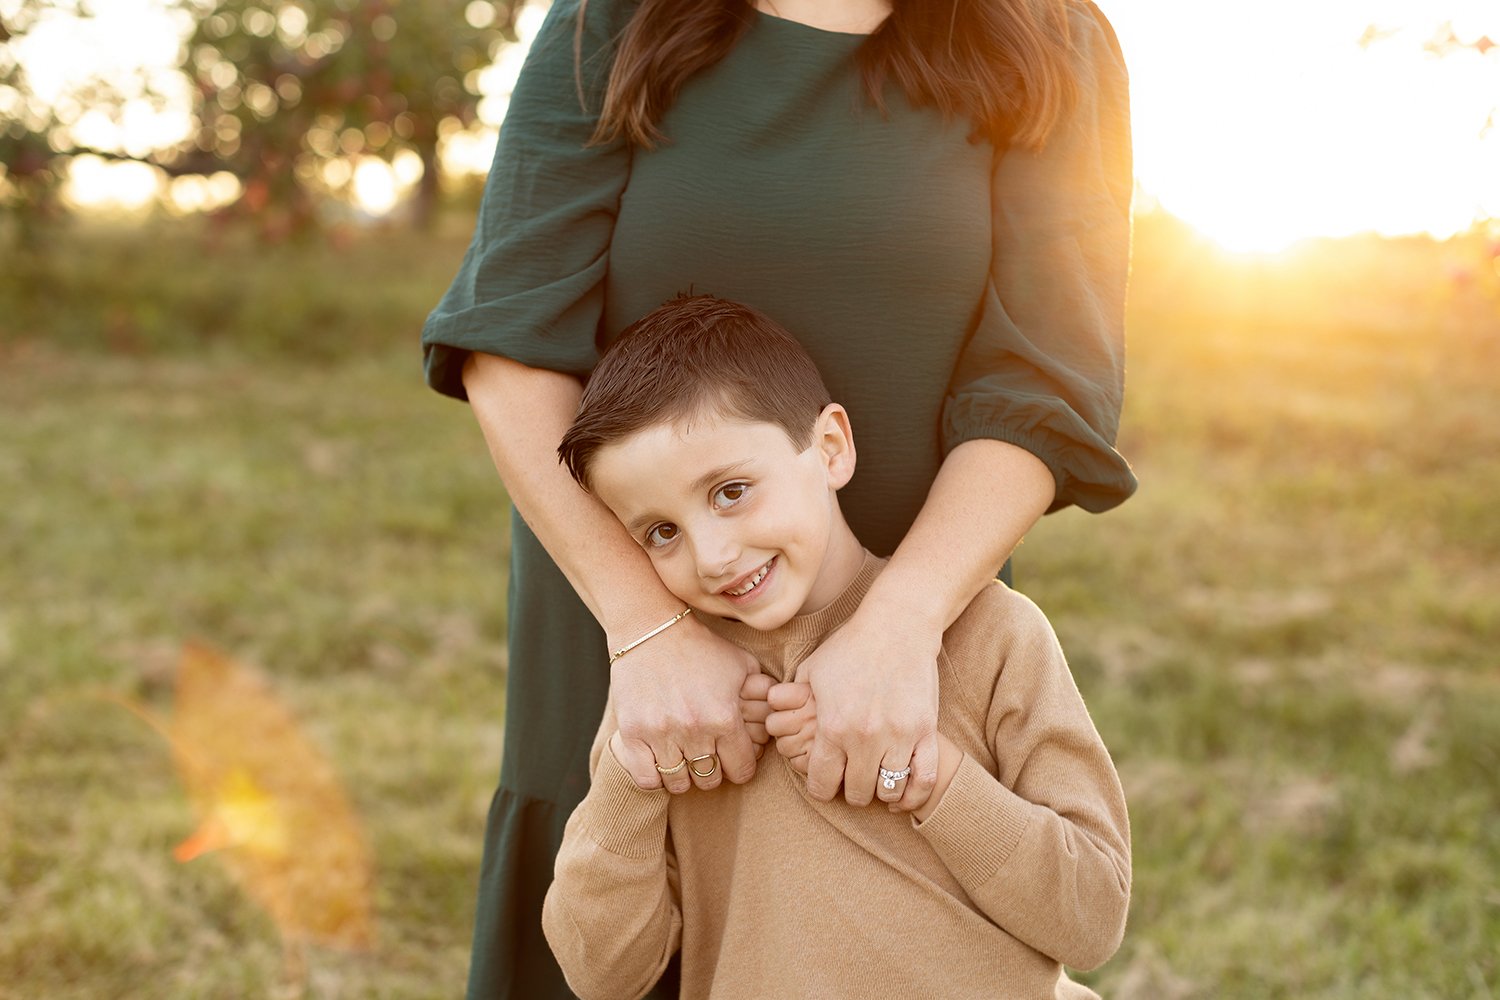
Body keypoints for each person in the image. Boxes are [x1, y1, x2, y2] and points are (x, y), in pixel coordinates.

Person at [419, 0, 1136, 995]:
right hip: (624, 601)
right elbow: (509, 341)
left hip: (916, 612)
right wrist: (649, 630)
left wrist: (898, 627)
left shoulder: (1049, 34)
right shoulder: (609, 19)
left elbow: (1045, 384)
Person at [541, 295, 1130, 1000]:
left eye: (730, 491)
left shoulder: (993, 635)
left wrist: (932, 777)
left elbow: (1092, 920)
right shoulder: (671, 699)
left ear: (829, 449)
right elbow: (601, 974)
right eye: (660, 532)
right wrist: (629, 779)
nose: (714, 555)